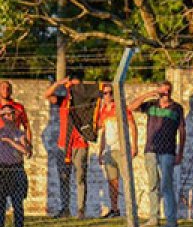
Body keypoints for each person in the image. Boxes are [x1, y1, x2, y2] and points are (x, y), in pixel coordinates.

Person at [129, 81, 186, 227]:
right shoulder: (151, 105)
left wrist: (180, 153)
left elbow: (182, 131)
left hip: (168, 151)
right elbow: (131, 107)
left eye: (168, 91)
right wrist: (148, 94)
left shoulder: (177, 108)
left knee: (166, 185)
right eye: (162, 91)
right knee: (153, 185)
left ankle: (171, 221)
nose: (165, 94)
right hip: (151, 150)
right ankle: (153, 218)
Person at [44, 72, 89, 218]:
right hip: (63, 144)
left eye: (77, 86)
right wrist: (59, 83)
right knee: (63, 177)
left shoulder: (87, 102)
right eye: (72, 86)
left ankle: (81, 210)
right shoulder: (64, 101)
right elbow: (47, 95)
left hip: (80, 144)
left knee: (80, 177)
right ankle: (65, 209)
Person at [95, 83, 138, 218]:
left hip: (121, 148)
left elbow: (132, 125)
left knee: (127, 179)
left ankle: (131, 209)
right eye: (105, 93)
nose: (107, 96)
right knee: (112, 181)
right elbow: (102, 133)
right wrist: (100, 151)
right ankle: (115, 209)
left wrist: (134, 145)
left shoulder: (120, 108)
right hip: (108, 150)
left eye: (110, 93)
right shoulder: (102, 111)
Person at [0, 104, 30, 227]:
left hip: (17, 169)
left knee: (18, 204)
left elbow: (26, 151)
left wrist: (10, 141)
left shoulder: (19, 133)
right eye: (6, 114)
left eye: (12, 113)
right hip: (3, 171)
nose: (9, 116)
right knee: (1, 205)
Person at [0, 81, 32, 151]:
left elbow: (27, 127)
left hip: (14, 145)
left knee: (16, 162)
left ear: (11, 91)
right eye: (3, 88)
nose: (5, 90)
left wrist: (28, 145)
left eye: (8, 88)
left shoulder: (18, 107)